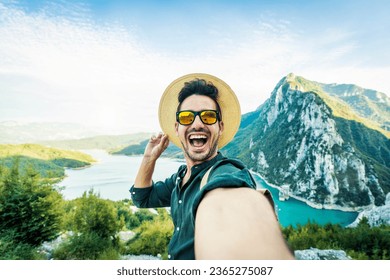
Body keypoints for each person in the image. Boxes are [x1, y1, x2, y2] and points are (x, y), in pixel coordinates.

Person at [130, 73, 294, 260]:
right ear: (177, 128)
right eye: (186, 117)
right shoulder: (179, 178)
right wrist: (149, 158)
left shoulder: (225, 173)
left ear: (220, 126)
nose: (197, 124)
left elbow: (228, 201)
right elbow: (142, 198)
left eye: (208, 116)